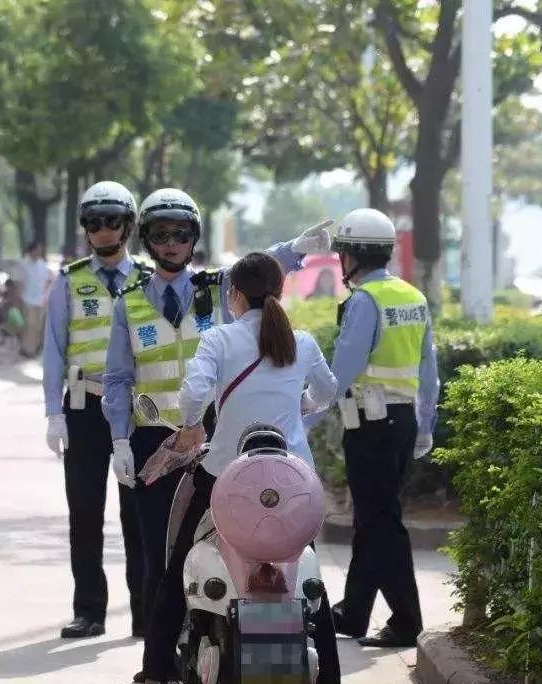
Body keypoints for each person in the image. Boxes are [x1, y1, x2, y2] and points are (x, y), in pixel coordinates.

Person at [101, 188, 331, 683]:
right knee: (164, 557)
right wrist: (120, 438)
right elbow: (118, 377)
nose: (170, 243)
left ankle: (157, 670)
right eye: (160, 234)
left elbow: (262, 266)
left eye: (180, 234)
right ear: (147, 239)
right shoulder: (130, 304)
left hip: (211, 452)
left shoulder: (216, 290)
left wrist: (298, 247)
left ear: (194, 239)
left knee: (182, 555)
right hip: (156, 443)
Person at [141, 251, 341, 684]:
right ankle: (328, 675)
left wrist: (193, 425)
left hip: (225, 477)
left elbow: (194, 392)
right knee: (306, 580)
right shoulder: (301, 342)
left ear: (233, 295)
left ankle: (156, 669)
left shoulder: (219, 339)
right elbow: (329, 390)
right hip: (292, 481)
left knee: (178, 569)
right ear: (280, 291)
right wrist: (302, 404)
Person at [320, 208, 439, 648]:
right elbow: (430, 369)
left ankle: (407, 621)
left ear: (352, 255)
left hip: (370, 426)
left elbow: (341, 373)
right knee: (373, 520)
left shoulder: (364, 301)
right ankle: (353, 613)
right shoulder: (412, 297)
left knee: (382, 522)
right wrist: (426, 423)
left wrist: (304, 413)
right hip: (403, 422)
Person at [43, 181, 151, 639]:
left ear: (127, 226)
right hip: (84, 407)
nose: (101, 231)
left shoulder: (149, 277)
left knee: (138, 515)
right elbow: (53, 347)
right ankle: (89, 610)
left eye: (110, 222)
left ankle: (146, 612)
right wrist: (53, 412)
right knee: (84, 513)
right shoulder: (69, 280)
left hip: (135, 410)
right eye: (93, 222)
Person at [17, 241, 54, 357]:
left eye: (40, 250)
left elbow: (49, 278)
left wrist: (45, 292)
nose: (39, 252)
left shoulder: (42, 263)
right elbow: (19, 281)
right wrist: (20, 297)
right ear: (31, 251)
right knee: (30, 325)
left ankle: (33, 348)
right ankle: (28, 349)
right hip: (27, 299)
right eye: (37, 250)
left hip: (40, 300)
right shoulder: (23, 264)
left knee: (38, 326)